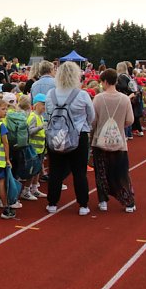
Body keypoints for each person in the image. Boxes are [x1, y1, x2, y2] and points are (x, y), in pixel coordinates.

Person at [45, 61, 96, 216]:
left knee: (55, 170)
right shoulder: (82, 95)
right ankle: (83, 205)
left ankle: (52, 203)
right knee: (79, 171)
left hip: (55, 136)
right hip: (78, 136)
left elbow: (48, 115)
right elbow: (91, 116)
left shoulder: (50, 94)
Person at [91, 69, 136, 213]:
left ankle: (103, 201)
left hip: (100, 140)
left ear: (104, 81)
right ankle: (128, 201)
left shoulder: (98, 98)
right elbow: (130, 120)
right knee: (121, 173)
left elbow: (93, 121)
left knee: (101, 172)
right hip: (119, 142)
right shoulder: (124, 99)